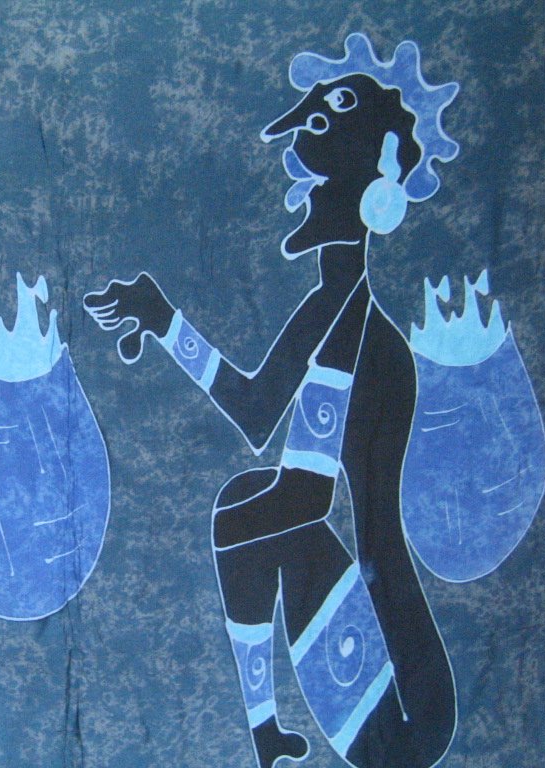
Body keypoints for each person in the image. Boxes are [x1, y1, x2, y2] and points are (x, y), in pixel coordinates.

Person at [84, 34, 459, 768]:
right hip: (374, 659)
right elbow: (258, 411)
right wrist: (163, 321)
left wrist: (165, 322)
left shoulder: (353, 323)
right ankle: (264, 735)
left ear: (372, 192)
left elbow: (295, 480)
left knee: (243, 512)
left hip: (404, 705)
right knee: (244, 504)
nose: (306, 194)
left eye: (320, 182)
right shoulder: (335, 306)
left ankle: (262, 734)